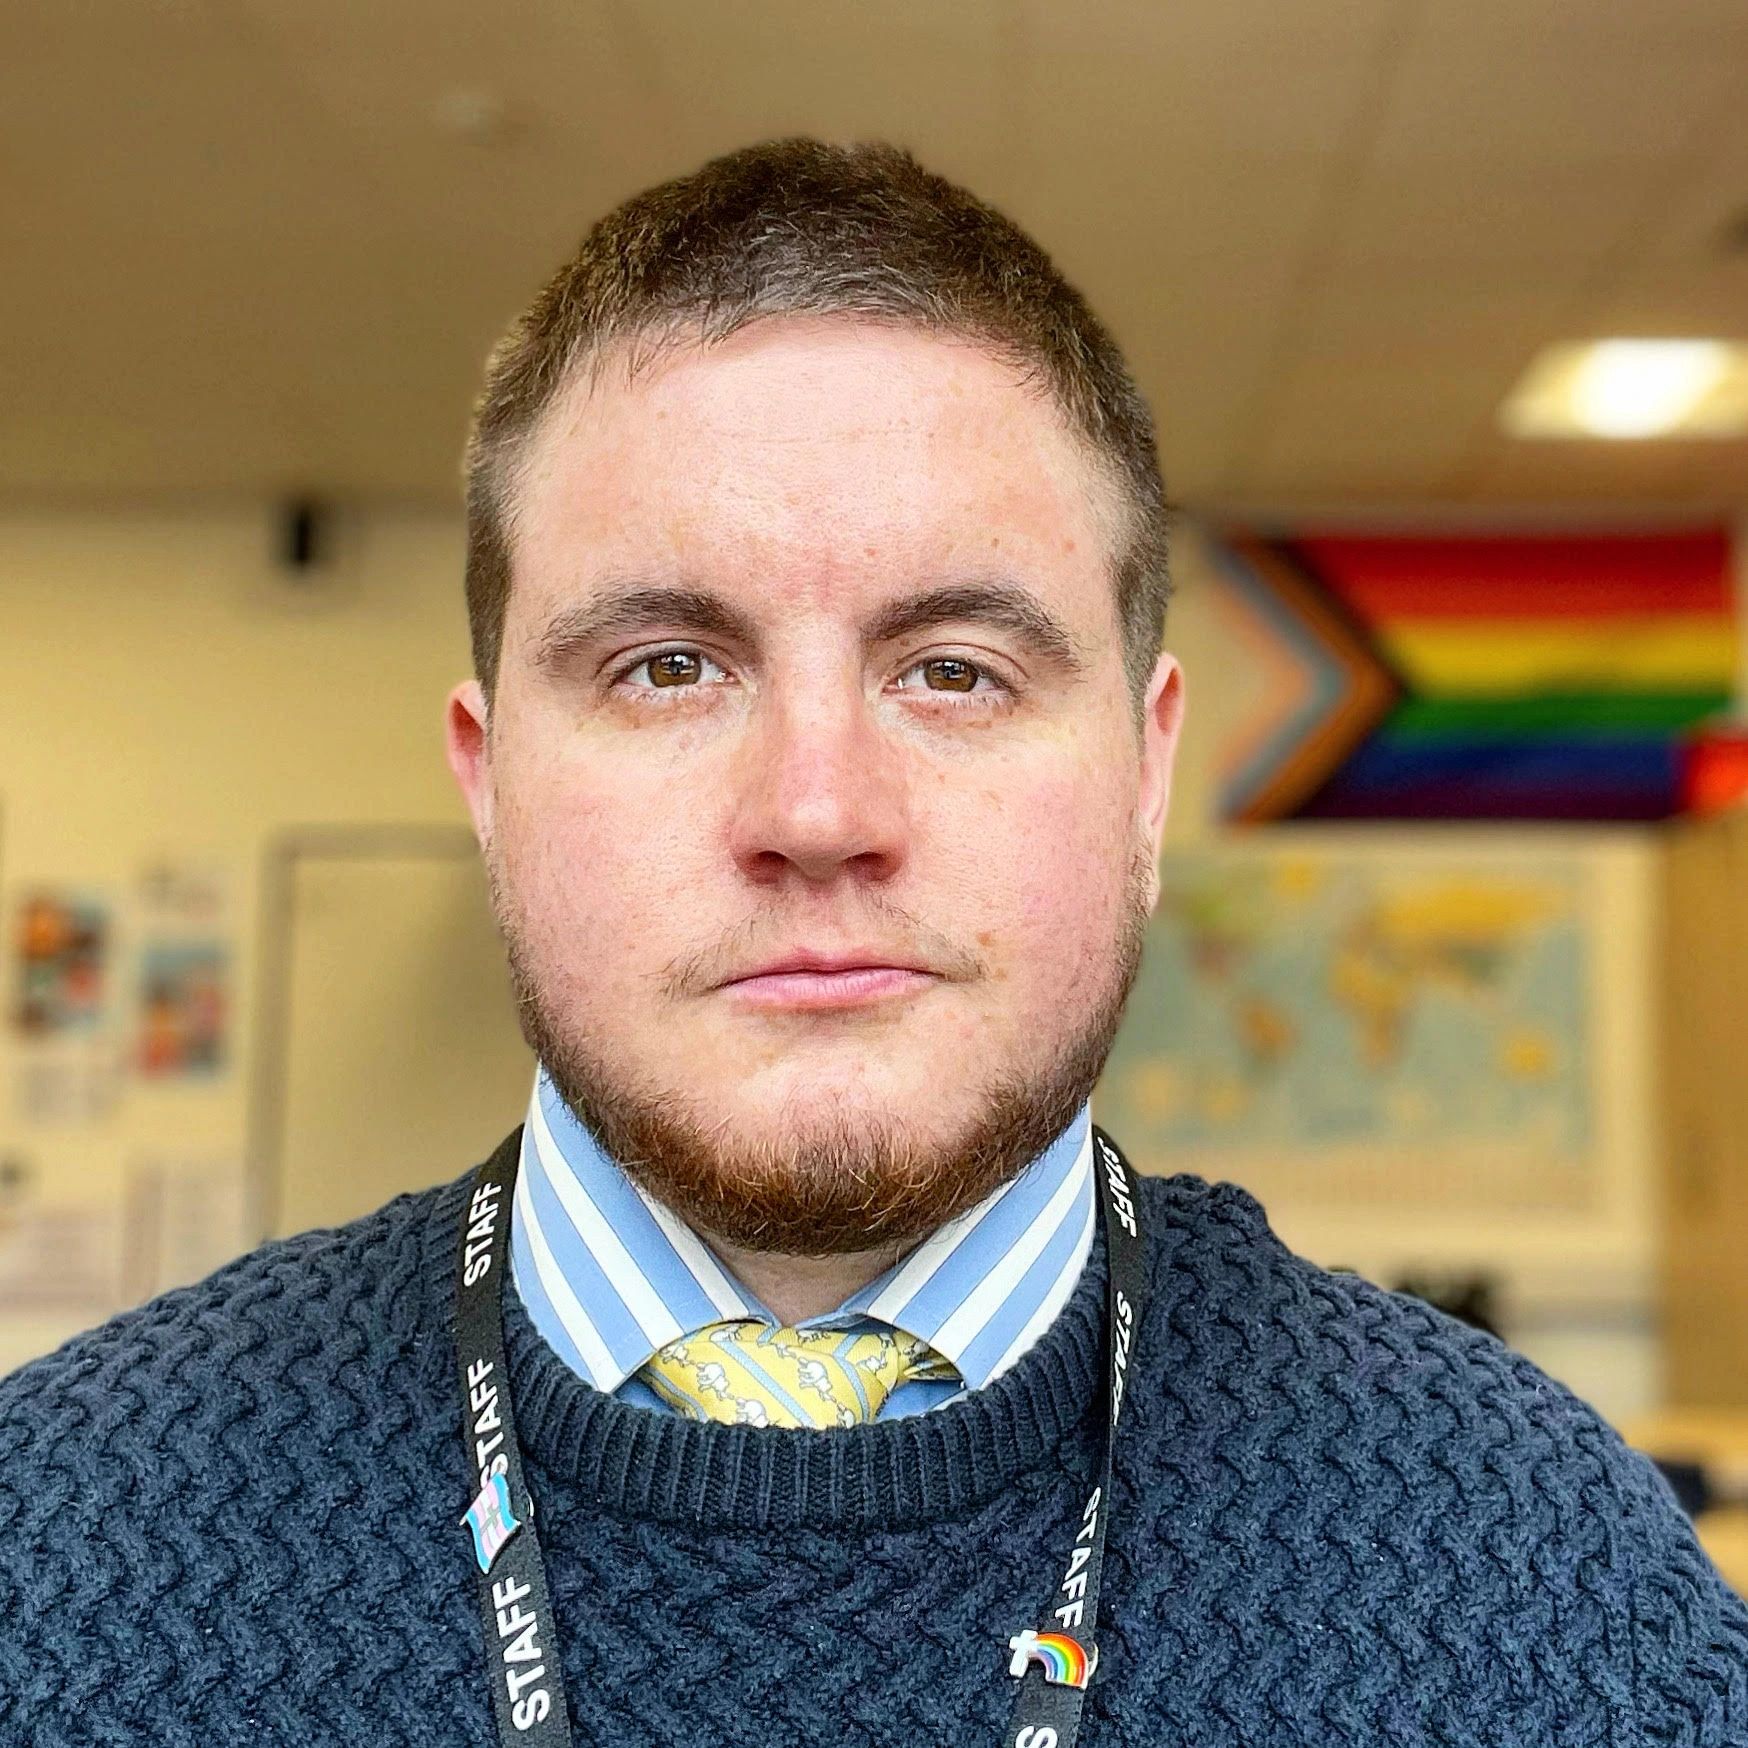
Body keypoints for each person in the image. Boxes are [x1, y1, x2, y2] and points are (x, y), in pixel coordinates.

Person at [1, 138, 1743, 1748]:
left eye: (956, 669)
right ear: (490, 781)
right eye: (666, 665)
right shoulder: (58, 1549)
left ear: (1148, 779)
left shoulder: (1543, 1583)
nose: (818, 807)